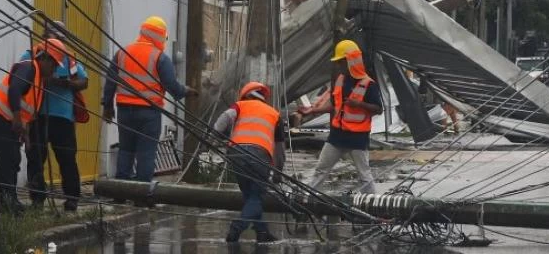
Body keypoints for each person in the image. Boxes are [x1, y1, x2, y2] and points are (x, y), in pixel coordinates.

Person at [102, 16, 196, 182]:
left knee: (126, 150)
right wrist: (186, 91)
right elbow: (172, 86)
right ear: (160, 36)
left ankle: (120, 192)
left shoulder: (122, 53)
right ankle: (142, 195)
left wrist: (107, 107)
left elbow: (110, 82)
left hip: (124, 111)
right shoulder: (160, 57)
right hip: (148, 113)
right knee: (146, 154)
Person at [0, 37, 63, 215]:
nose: (55, 70)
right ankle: (6, 204)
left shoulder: (39, 81)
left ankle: (8, 201)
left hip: (9, 121)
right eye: (54, 65)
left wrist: (26, 135)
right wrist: (18, 119)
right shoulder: (28, 68)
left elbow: (29, 112)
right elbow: (14, 90)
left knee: (13, 160)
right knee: (8, 160)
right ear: (44, 59)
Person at [299, 40, 382, 194]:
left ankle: (373, 204)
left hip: (357, 138)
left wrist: (359, 105)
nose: (339, 66)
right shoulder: (341, 80)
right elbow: (334, 105)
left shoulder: (369, 84)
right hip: (337, 136)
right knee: (321, 170)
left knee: (364, 175)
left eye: (340, 62)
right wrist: (312, 111)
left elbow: (378, 109)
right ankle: (309, 199)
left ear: (350, 61)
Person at [21, 22, 88, 212]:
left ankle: (72, 198)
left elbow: (83, 81)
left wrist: (64, 83)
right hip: (37, 115)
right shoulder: (32, 55)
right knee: (35, 157)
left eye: (60, 40)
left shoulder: (69, 59)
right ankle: (37, 199)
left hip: (62, 116)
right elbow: (21, 75)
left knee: (67, 158)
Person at [212, 81, 285, 244]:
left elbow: (223, 120)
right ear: (264, 98)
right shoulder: (274, 114)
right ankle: (237, 228)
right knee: (256, 197)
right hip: (260, 156)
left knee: (250, 197)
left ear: (246, 95)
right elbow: (280, 150)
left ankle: (262, 232)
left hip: (236, 154)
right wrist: (278, 173)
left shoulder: (240, 106)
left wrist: (216, 134)